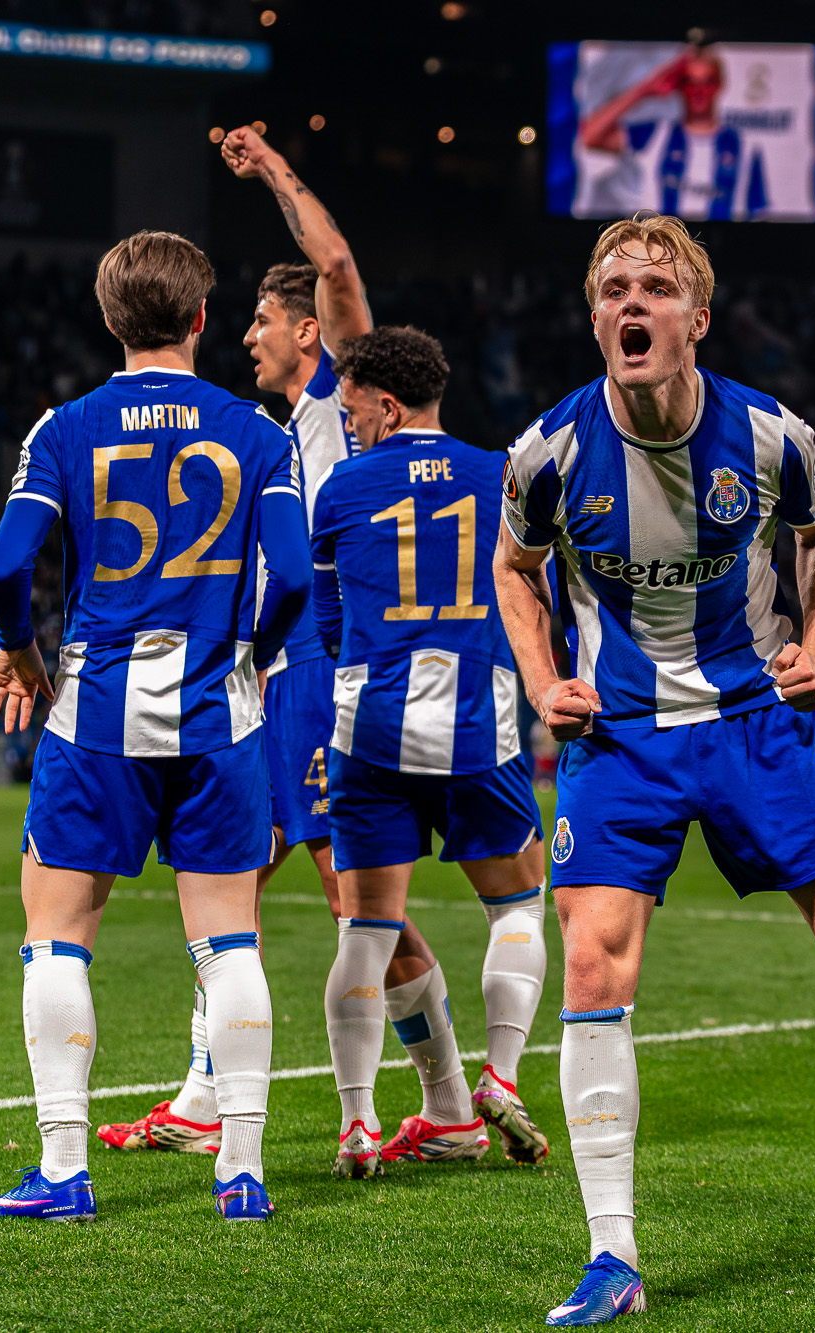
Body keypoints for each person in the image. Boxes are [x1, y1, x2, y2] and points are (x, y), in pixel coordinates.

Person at [492, 211, 815, 1326]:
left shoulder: (768, 437)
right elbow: (513, 565)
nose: (629, 305)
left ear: (697, 317)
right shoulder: (546, 451)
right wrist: (540, 677)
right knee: (594, 972)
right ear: (594, 316)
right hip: (620, 739)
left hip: (755, 719)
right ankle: (613, 1256)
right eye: (611, 289)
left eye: (653, 288)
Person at [92, 126, 465, 1160]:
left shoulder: (335, 406)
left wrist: (273, 173)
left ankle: (445, 1099)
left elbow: (338, 265)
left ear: (309, 333)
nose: (246, 337)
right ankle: (208, 1095)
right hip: (277, 674)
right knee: (232, 870)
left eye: (261, 320)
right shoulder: (277, 427)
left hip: (317, 675)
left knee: (355, 899)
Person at [0, 229, 310, 1224]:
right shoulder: (258, 432)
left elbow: (4, 565)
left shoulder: (65, 427)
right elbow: (290, 576)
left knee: (56, 936)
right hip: (217, 717)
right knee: (228, 941)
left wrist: (18, 648)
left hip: (98, 719)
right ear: (203, 318)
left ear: (111, 318)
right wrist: (250, 649)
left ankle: (65, 1171)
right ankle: (240, 1171)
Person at [312, 326, 552, 1175]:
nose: (350, 424)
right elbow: (536, 593)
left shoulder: (341, 489)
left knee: (365, 927)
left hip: (369, 725)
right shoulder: (505, 473)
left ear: (384, 404)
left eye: (352, 410)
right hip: (477, 725)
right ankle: (501, 1075)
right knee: (518, 904)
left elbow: (331, 621)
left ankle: (357, 1123)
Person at [577, 45, 762, 222]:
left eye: (707, 82)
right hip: (657, 252)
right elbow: (590, 135)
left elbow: (757, 211)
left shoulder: (745, 147)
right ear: (680, 87)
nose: (699, 91)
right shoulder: (655, 134)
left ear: (720, 84)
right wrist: (645, 89)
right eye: (690, 82)